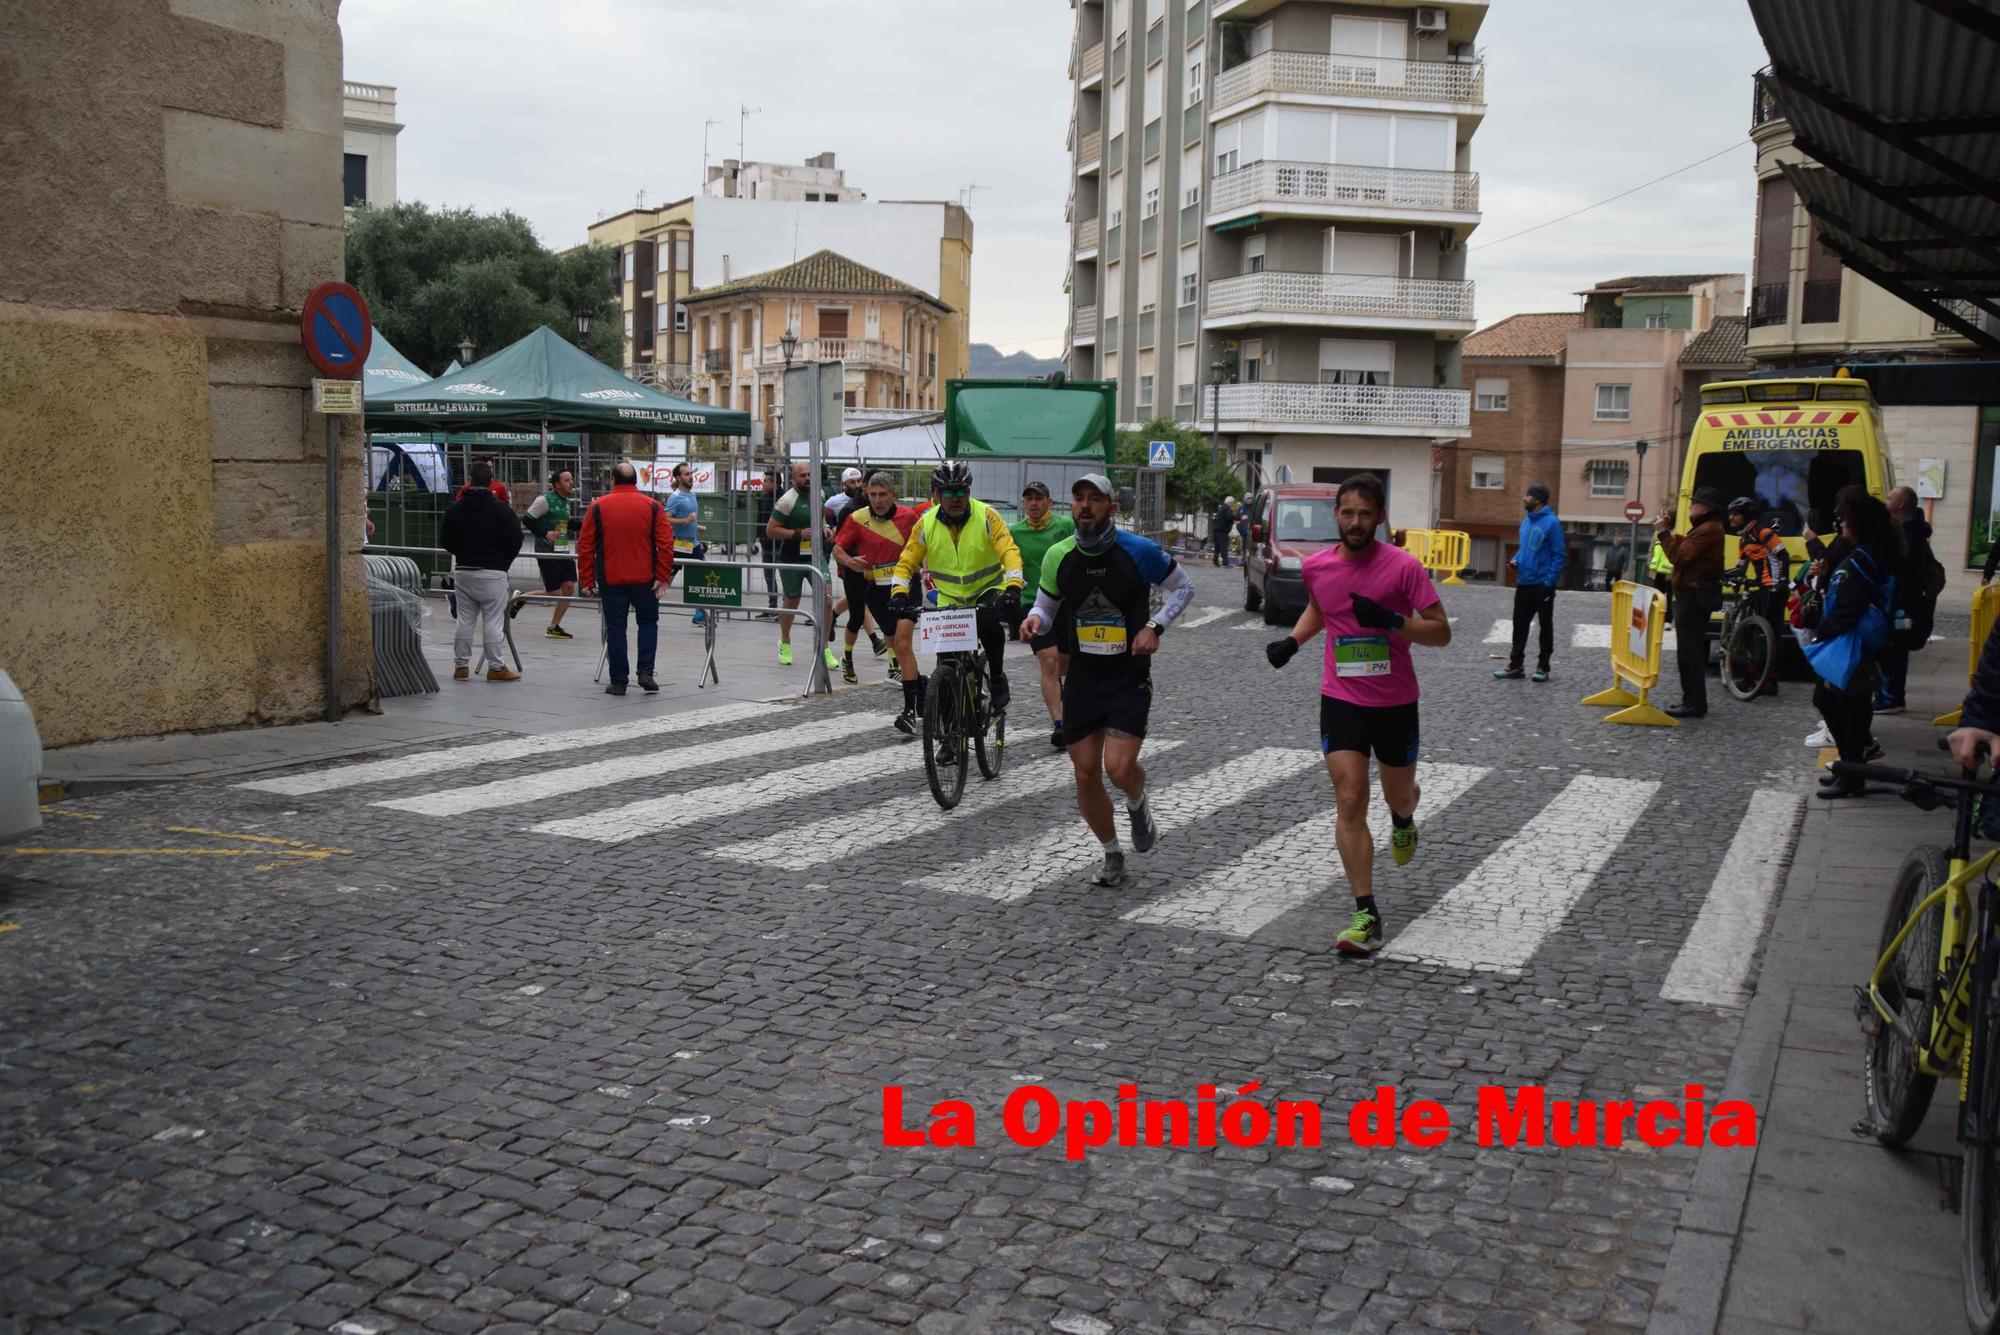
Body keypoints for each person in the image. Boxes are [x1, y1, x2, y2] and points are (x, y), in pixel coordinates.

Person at [1264, 473, 1450, 955]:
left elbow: (1440, 632)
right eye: (1347, 512)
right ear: (1337, 516)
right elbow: (1321, 608)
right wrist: (1294, 640)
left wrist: (1392, 621)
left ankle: (1405, 815)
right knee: (1349, 797)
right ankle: (1366, 912)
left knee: (1397, 793)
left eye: (1365, 513)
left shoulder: (1405, 568)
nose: (1355, 521)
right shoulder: (1319, 567)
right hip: (1341, 697)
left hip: (1395, 701)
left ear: (1381, 517)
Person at [1019, 473, 1194, 887]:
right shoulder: (1058, 556)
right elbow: (1046, 606)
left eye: (1094, 499)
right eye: (1078, 498)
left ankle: (1136, 800)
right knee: (1084, 773)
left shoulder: (1138, 551)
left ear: (1111, 508)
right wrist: (1034, 620)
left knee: (1118, 768)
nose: (1084, 505)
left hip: (1127, 676)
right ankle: (1112, 853)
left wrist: (1155, 626)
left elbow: (1183, 588)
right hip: (1081, 677)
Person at [889, 460, 1027, 730]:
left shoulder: (988, 516)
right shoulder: (925, 523)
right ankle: (950, 735)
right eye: (948, 493)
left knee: (989, 624)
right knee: (946, 667)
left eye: (961, 492)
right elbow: (907, 561)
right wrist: (898, 592)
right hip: (950, 598)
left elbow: (1009, 552)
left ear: (969, 491)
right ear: (937, 494)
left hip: (987, 588)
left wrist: (1013, 587)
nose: (955, 499)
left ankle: (997, 676)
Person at [1803, 492, 1903, 799]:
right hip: (1852, 640)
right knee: (1839, 702)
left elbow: (1851, 604)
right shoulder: (1867, 552)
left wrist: (1823, 632)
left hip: (1852, 642)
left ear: (1858, 522)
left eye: (1845, 517)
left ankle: (1852, 774)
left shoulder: (1863, 557)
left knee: (1846, 706)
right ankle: (1849, 769)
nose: (1840, 523)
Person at [576, 460, 676, 696]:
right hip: (645, 579)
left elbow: (585, 546)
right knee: (649, 624)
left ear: (612, 480)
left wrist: (587, 581)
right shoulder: (652, 506)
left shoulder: (598, 507)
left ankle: (619, 681)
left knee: (616, 628)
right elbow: (666, 544)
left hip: (611, 579)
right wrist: (662, 576)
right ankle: (645, 672)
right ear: (637, 481)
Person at [833, 473, 922, 700]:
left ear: (893, 495)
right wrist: (851, 562)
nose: (878, 500)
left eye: (883, 495)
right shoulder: (856, 517)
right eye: (873, 495)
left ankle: (906, 680)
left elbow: (923, 544)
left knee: (902, 636)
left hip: (905, 584)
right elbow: (837, 549)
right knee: (889, 631)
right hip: (875, 586)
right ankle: (858, 659)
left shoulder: (908, 516)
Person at [438, 461, 524, 683]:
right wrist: (504, 561)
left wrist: (461, 552)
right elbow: (516, 538)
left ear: (470, 479)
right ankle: (495, 667)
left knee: (465, 618)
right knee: (493, 620)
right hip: (493, 570)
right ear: (490, 480)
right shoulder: (501, 509)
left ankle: (461, 666)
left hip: (464, 569)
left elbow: (445, 539)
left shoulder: (455, 508)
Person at [1012, 480, 1079, 750]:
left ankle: (1072, 709)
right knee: (1049, 662)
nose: (1034, 504)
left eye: (1039, 498)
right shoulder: (1014, 532)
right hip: (1033, 604)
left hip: (1067, 602)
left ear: (1049, 502)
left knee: (1065, 663)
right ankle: (1060, 725)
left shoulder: (1065, 526)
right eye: (1029, 499)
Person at [1656, 487, 1728, 719]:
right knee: (1690, 650)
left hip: (1694, 596)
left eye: (1694, 504)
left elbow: (1679, 557)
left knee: (1690, 652)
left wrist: (1663, 533)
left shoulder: (1708, 530)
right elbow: (1686, 550)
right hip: (1694, 594)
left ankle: (1695, 703)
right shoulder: (1707, 528)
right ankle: (1692, 700)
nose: (1690, 507)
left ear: (1705, 508)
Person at [766, 461, 841, 671]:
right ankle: (785, 642)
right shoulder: (786, 501)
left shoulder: (819, 494)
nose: (807, 478)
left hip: (815, 556)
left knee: (827, 599)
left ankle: (823, 647)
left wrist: (826, 529)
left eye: (809, 474)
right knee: (792, 601)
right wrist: (797, 533)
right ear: (793, 479)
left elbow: (821, 520)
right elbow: (771, 531)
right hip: (791, 558)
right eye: (802, 475)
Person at [1878, 485, 1943, 715]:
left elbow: (1901, 566)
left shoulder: (1906, 530)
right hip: (1907, 597)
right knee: (1898, 645)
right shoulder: (1913, 527)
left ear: (1901, 505)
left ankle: (1890, 697)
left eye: (1890, 498)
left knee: (1894, 645)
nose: (1886, 501)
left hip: (1903, 598)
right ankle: (1893, 696)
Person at [1495, 482, 1565, 683]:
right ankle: (1516, 666)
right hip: (1524, 581)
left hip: (1542, 583)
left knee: (1545, 625)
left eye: (1528, 496)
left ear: (1538, 500)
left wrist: (1549, 582)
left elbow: (1559, 554)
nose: (1524, 498)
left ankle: (1543, 667)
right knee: (1519, 624)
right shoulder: (1526, 522)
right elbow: (1524, 549)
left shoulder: (1552, 523)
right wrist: (1516, 560)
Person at [1724, 495, 1790, 697]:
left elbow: (1783, 556)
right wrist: (1724, 575)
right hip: (1761, 587)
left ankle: (1771, 680)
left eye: (1735, 514)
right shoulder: (1744, 539)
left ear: (1746, 516)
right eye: (1730, 514)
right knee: (1752, 634)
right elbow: (1741, 568)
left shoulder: (1765, 532)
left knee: (1770, 635)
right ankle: (1751, 675)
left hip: (1774, 589)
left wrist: (1783, 580)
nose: (1731, 518)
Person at [519, 469, 578, 639]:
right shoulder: (544, 500)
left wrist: (583, 523)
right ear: (557, 484)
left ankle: (554, 626)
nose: (571, 483)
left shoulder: (565, 501)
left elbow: (565, 524)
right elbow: (527, 520)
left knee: (569, 587)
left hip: (562, 548)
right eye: (567, 480)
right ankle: (522, 597)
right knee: (554, 592)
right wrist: (545, 532)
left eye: (571, 479)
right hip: (546, 551)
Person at [662, 462, 708, 626]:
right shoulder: (675, 498)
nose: (690, 476)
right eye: (686, 474)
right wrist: (685, 521)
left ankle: (699, 616)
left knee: (703, 579)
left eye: (690, 473)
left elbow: (690, 517)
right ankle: (646, 604)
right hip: (678, 546)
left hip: (692, 545)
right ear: (678, 477)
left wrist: (696, 526)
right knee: (664, 581)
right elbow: (665, 520)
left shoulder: (692, 495)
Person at [1209, 496, 1236, 567]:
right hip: (1222, 531)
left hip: (1216, 529)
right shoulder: (1227, 509)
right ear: (1230, 502)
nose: (1233, 504)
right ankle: (1225, 562)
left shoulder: (1221, 508)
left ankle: (1215, 560)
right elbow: (1229, 517)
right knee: (1223, 546)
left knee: (1217, 547)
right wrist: (1238, 517)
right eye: (1232, 503)